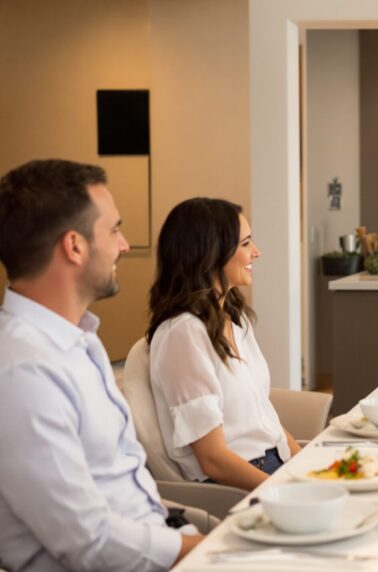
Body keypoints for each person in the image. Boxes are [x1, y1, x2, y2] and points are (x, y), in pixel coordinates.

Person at [0, 159, 202, 571]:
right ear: (74, 246)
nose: (124, 245)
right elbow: (87, 541)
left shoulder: (77, 342)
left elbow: (121, 483)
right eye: (113, 230)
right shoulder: (23, 373)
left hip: (162, 541)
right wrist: (205, 551)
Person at [146, 198, 301, 491]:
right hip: (239, 483)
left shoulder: (234, 318)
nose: (256, 252)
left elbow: (264, 418)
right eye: (245, 244)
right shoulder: (183, 335)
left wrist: (309, 468)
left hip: (273, 462)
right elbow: (213, 460)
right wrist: (286, 491)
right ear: (210, 252)